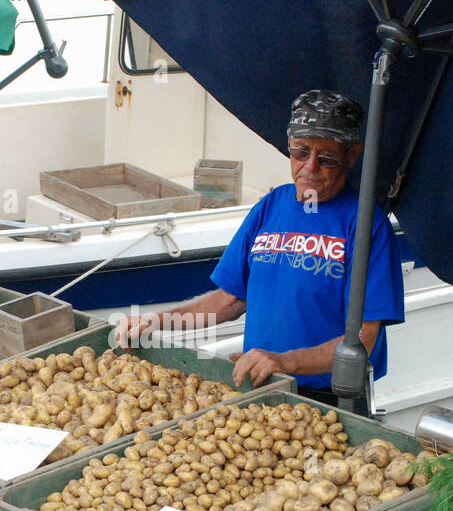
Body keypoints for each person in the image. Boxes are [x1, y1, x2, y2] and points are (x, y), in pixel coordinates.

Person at [113, 89, 404, 405]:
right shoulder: (270, 206)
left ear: (352, 155)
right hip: (262, 385)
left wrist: (283, 362)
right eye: (300, 152)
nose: (310, 167)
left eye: (328, 158)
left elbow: (365, 337)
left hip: (332, 399)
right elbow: (229, 301)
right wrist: (156, 320)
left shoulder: (367, 225)